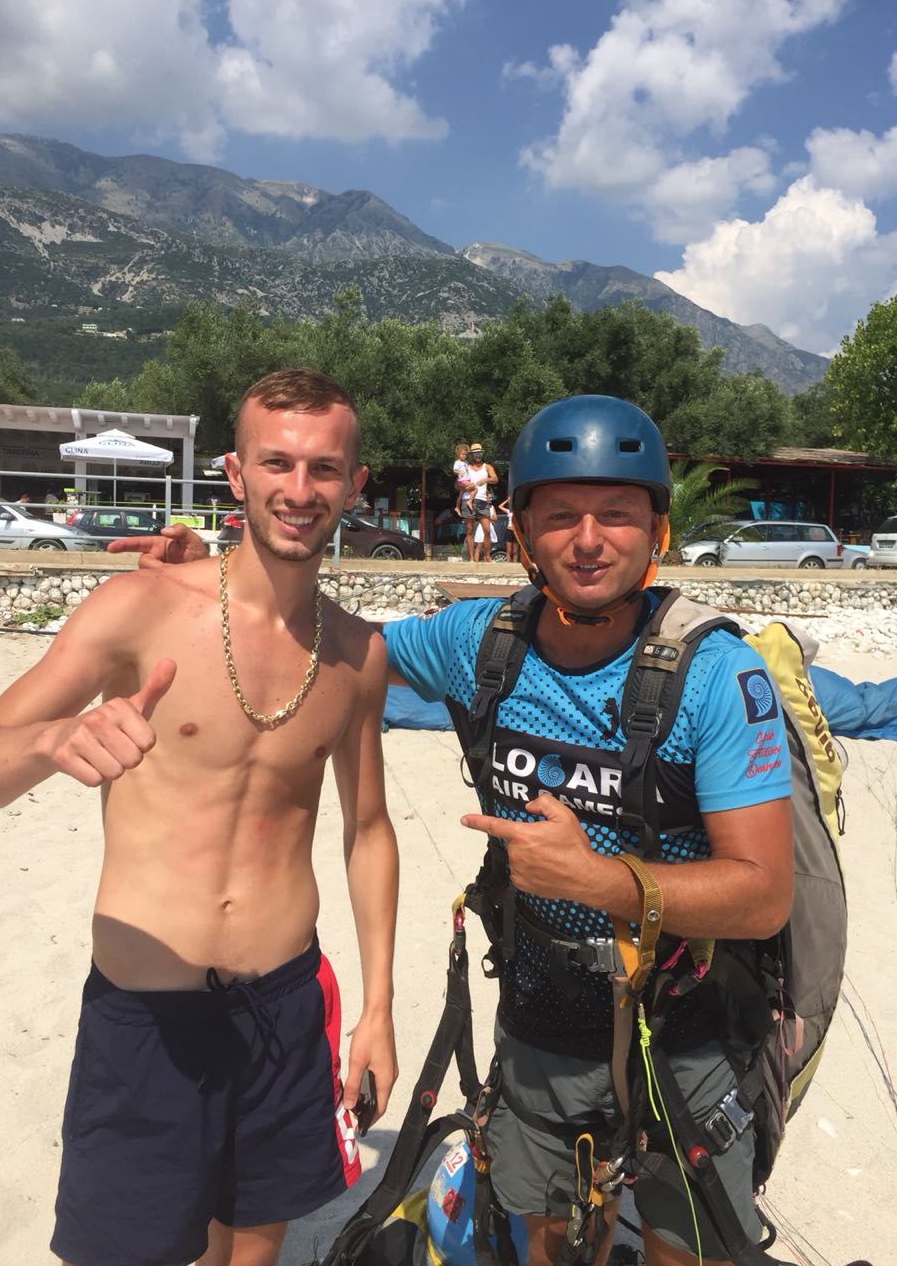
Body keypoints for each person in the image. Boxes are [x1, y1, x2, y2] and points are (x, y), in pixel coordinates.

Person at [107, 395, 793, 1266]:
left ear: (656, 528)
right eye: (561, 515)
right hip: (540, 1018)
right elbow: (331, 647)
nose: (589, 540)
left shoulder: (715, 676)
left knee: (685, 1250)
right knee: (541, 1242)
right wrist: (215, 583)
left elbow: (763, 895)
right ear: (522, 531)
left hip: (686, 1027)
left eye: (617, 514)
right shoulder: (484, 642)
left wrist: (600, 881)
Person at [0, 368, 399, 1266]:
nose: (299, 489)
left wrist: (378, 1009)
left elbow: (368, 831)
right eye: (276, 463)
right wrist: (52, 741)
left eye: (324, 468)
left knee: (250, 1251)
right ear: (235, 473)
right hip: (146, 1015)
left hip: (285, 1006)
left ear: (355, 484)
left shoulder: (360, 654)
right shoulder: (138, 609)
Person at [464, 443, 498, 562]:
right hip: (468, 500)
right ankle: (471, 558)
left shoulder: (487, 467)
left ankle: (487, 556)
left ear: (482, 454)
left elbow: (495, 479)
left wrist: (485, 480)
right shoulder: (466, 467)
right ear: (472, 455)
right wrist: (464, 487)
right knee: (469, 530)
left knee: (487, 530)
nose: (478, 455)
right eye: (475, 453)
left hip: (483, 501)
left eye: (480, 453)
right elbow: (457, 484)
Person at [453, 443, 477, 561]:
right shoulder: (458, 462)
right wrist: (459, 473)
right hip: (463, 480)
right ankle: (469, 501)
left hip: (465, 479)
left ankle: (457, 507)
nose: (464, 456)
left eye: (465, 454)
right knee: (474, 488)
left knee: (461, 493)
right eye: (463, 454)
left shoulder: (466, 462)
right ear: (458, 454)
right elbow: (454, 470)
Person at [496, 495, 519, 563]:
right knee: (509, 550)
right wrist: (507, 500)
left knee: (515, 551)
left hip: (516, 531)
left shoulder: (519, 513)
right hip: (509, 530)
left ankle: (515, 564)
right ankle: (508, 564)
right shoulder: (509, 511)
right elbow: (500, 506)